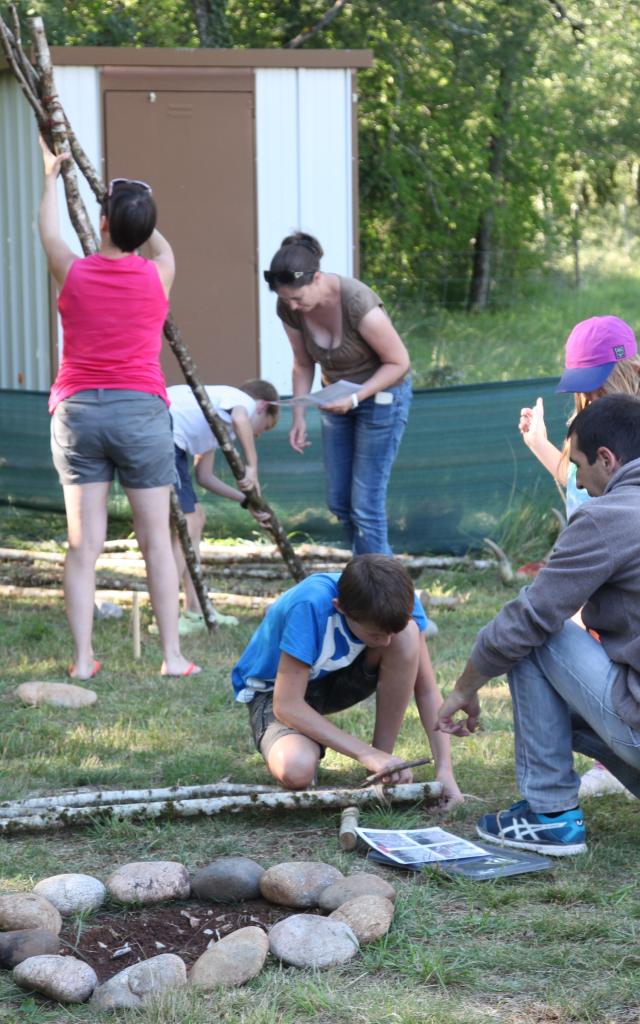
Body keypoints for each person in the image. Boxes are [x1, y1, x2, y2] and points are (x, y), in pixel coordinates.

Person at [438, 395, 640, 855]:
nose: (582, 486)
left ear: (607, 459)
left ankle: (551, 816)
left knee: (536, 635)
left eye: (581, 469)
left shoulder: (609, 516)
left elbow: (529, 617)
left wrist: (466, 687)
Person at [40, 137, 199, 679]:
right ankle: (172, 657)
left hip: (79, 414)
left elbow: (49, 232)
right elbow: (160, 246)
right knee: (156, 540)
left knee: (84, 546)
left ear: (102, 223)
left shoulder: (75, 272)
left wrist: (49, 178)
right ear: (142, 229)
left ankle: (83, 660)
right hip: (141, 415)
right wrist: (135, 213)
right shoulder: (160, 273)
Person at [232, 553, 463, 807]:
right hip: (275, 689)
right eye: (376, 635)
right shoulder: (309, 606)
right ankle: (373, 758)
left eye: (389, 634)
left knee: (407, 635)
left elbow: (427, 690)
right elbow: (286, 705)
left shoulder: (400, 600)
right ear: (340, 606)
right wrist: (366, 754)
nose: (386, 643)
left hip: (334, 679)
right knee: (296, 770)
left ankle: (381, 768)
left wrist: (445, 772)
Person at [519, 315, 639, 798]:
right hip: (593, 585)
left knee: (532, 634)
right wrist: (544, 448)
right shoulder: (589, 429)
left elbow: (607, 509)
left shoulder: (629, 432)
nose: (589, 397)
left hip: (609, 583)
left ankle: (550, 808)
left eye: (597, 385)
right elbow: (584, 487)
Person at [264, 232, 412, 555]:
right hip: (336, 398)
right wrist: (298, 415)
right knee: (339, 502)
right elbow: (303, 363)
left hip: (382, 397)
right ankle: (365, 575)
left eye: (297, 299)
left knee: (366, 505)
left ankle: (383, 594)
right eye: (285, 299)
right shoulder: (288, 305)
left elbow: (399, 362)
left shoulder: (358, 303)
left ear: (317, 278)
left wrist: (357, 397)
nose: (292, 306)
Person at [167, 379, 278, 632]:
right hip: (162, 432)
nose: (258, 434)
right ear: (261, 407)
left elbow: (204, 477)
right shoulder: (243, 402)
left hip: (172, 439)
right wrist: (252, 465)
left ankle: (194, 610)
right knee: (189, 521)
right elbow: (241, 419)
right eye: (264, 427)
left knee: (198, 516)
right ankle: (168, 615)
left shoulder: (217, 419)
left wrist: (245, 501)